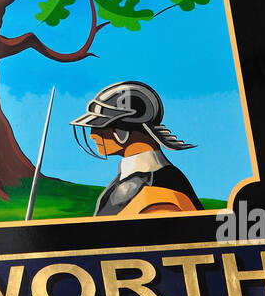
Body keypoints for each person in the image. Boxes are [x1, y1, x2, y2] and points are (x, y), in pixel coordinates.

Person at [69, 81, 202, 217]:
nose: (92, 135)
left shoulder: (159, 189)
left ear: (122, 130)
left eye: (99, 126)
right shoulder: (136, 178)